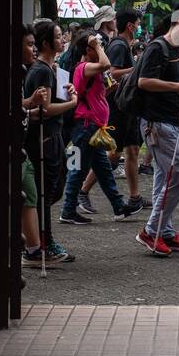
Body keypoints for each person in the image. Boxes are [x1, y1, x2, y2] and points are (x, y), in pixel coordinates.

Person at [133, 5, 179, 256]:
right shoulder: (157, 47)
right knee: (178, 177)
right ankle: (152, 231)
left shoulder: (175, 49)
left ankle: (166, 232)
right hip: (156, 123)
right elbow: (143, 82)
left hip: (170, 122)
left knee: (164, 178)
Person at [59, 29, 142, 225]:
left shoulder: (88, 69)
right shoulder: (84, 67)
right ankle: (68, 211)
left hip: (93, 127)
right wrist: (96, 44)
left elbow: (94, 97)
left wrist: (108, 90)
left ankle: (119, 207)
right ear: (88, 49)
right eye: (99, 45)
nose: (102, 48)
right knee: (78, 169)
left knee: (104, 169)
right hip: (85, 127)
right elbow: (107, 64)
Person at [23, 20, 76, 264]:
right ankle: (44, 242)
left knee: (51, 188)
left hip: (52, 136)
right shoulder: (42, 70)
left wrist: (68, 93)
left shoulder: (50, 69)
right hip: (45, 138)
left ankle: (40, 238)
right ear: (47, 43)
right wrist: (72, 103)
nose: (63, 40)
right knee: (45, 191)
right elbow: (45, 109)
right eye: (58, 37)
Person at [80, 8, 143, 214]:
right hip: (118, 107)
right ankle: (83, 190)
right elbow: (113, 72)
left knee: (132, 150)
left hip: (128, 107)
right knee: (113, 154)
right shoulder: (118, 45)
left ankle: (135, 197)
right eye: (138, 23)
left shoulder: (124, 44)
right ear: (130, 26)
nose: (140, 27)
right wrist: (136, 70)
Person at [19, 25, 51, 267]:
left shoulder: (23, 70)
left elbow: (21, 106)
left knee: (29, 195)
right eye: (29, 44)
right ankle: (31, 248)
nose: (34, 49)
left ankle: (33, 248)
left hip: (21, 145)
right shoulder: (32, 71)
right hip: (14, 146)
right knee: (27, 195)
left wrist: (31, 104)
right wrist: (72, 103)